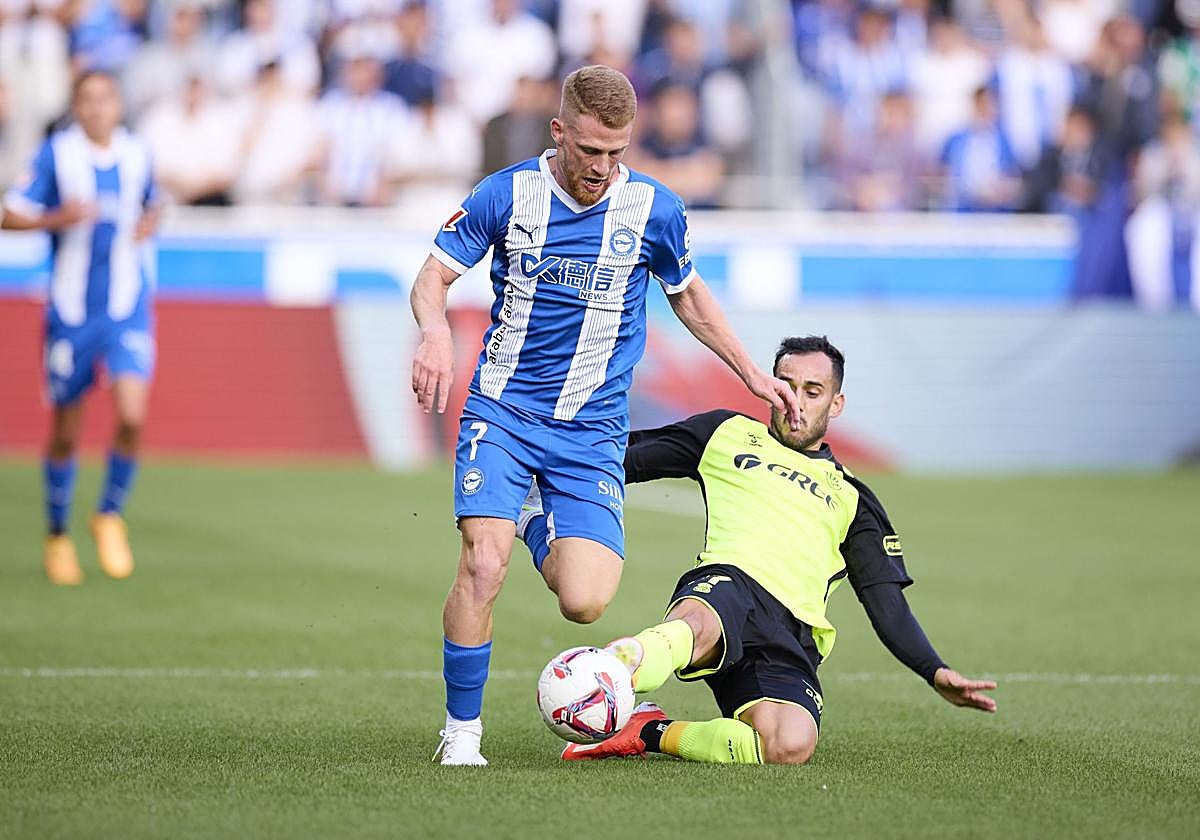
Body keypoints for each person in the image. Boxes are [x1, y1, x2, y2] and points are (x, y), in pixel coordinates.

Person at [411, 64, 800, 765]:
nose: (602, 167)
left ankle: (530, 514)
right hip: (503, 410)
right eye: (589, 151)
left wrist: (751, 372)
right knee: (482, 564)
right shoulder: (506, 195)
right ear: (560, 131)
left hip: (591, 431)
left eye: (616, 153)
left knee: (585, 601)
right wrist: (436, 331)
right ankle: (461, 735)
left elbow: (687, 295)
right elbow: (433, 276)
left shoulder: (655, 210)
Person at [562, 335, 997, 765]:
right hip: (726, 586)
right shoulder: (725, 433)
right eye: (787, 385)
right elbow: (620, 460)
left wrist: (933, 670)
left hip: (790, 635)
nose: (797, 401)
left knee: (788, 746)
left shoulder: (853, 498)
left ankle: (646, 730)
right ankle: (610, 672)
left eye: (813, 391)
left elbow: (887, 605)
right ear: (770, 386)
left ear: (836, 404)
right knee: (696, 624)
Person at [1, 70, 159, 585]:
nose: (97, 108)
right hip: (71, 311)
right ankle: (56, 533)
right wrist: (56, 219)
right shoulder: (56, 155)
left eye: (106, 98)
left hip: (126, 306)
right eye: (87, 100)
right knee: (66, 431)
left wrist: (149, 223)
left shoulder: (137, 153)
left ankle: (108, 513)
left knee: (132, 416)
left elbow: (153, 204)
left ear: (118, 104)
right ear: (76, 106)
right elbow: (11, 214)